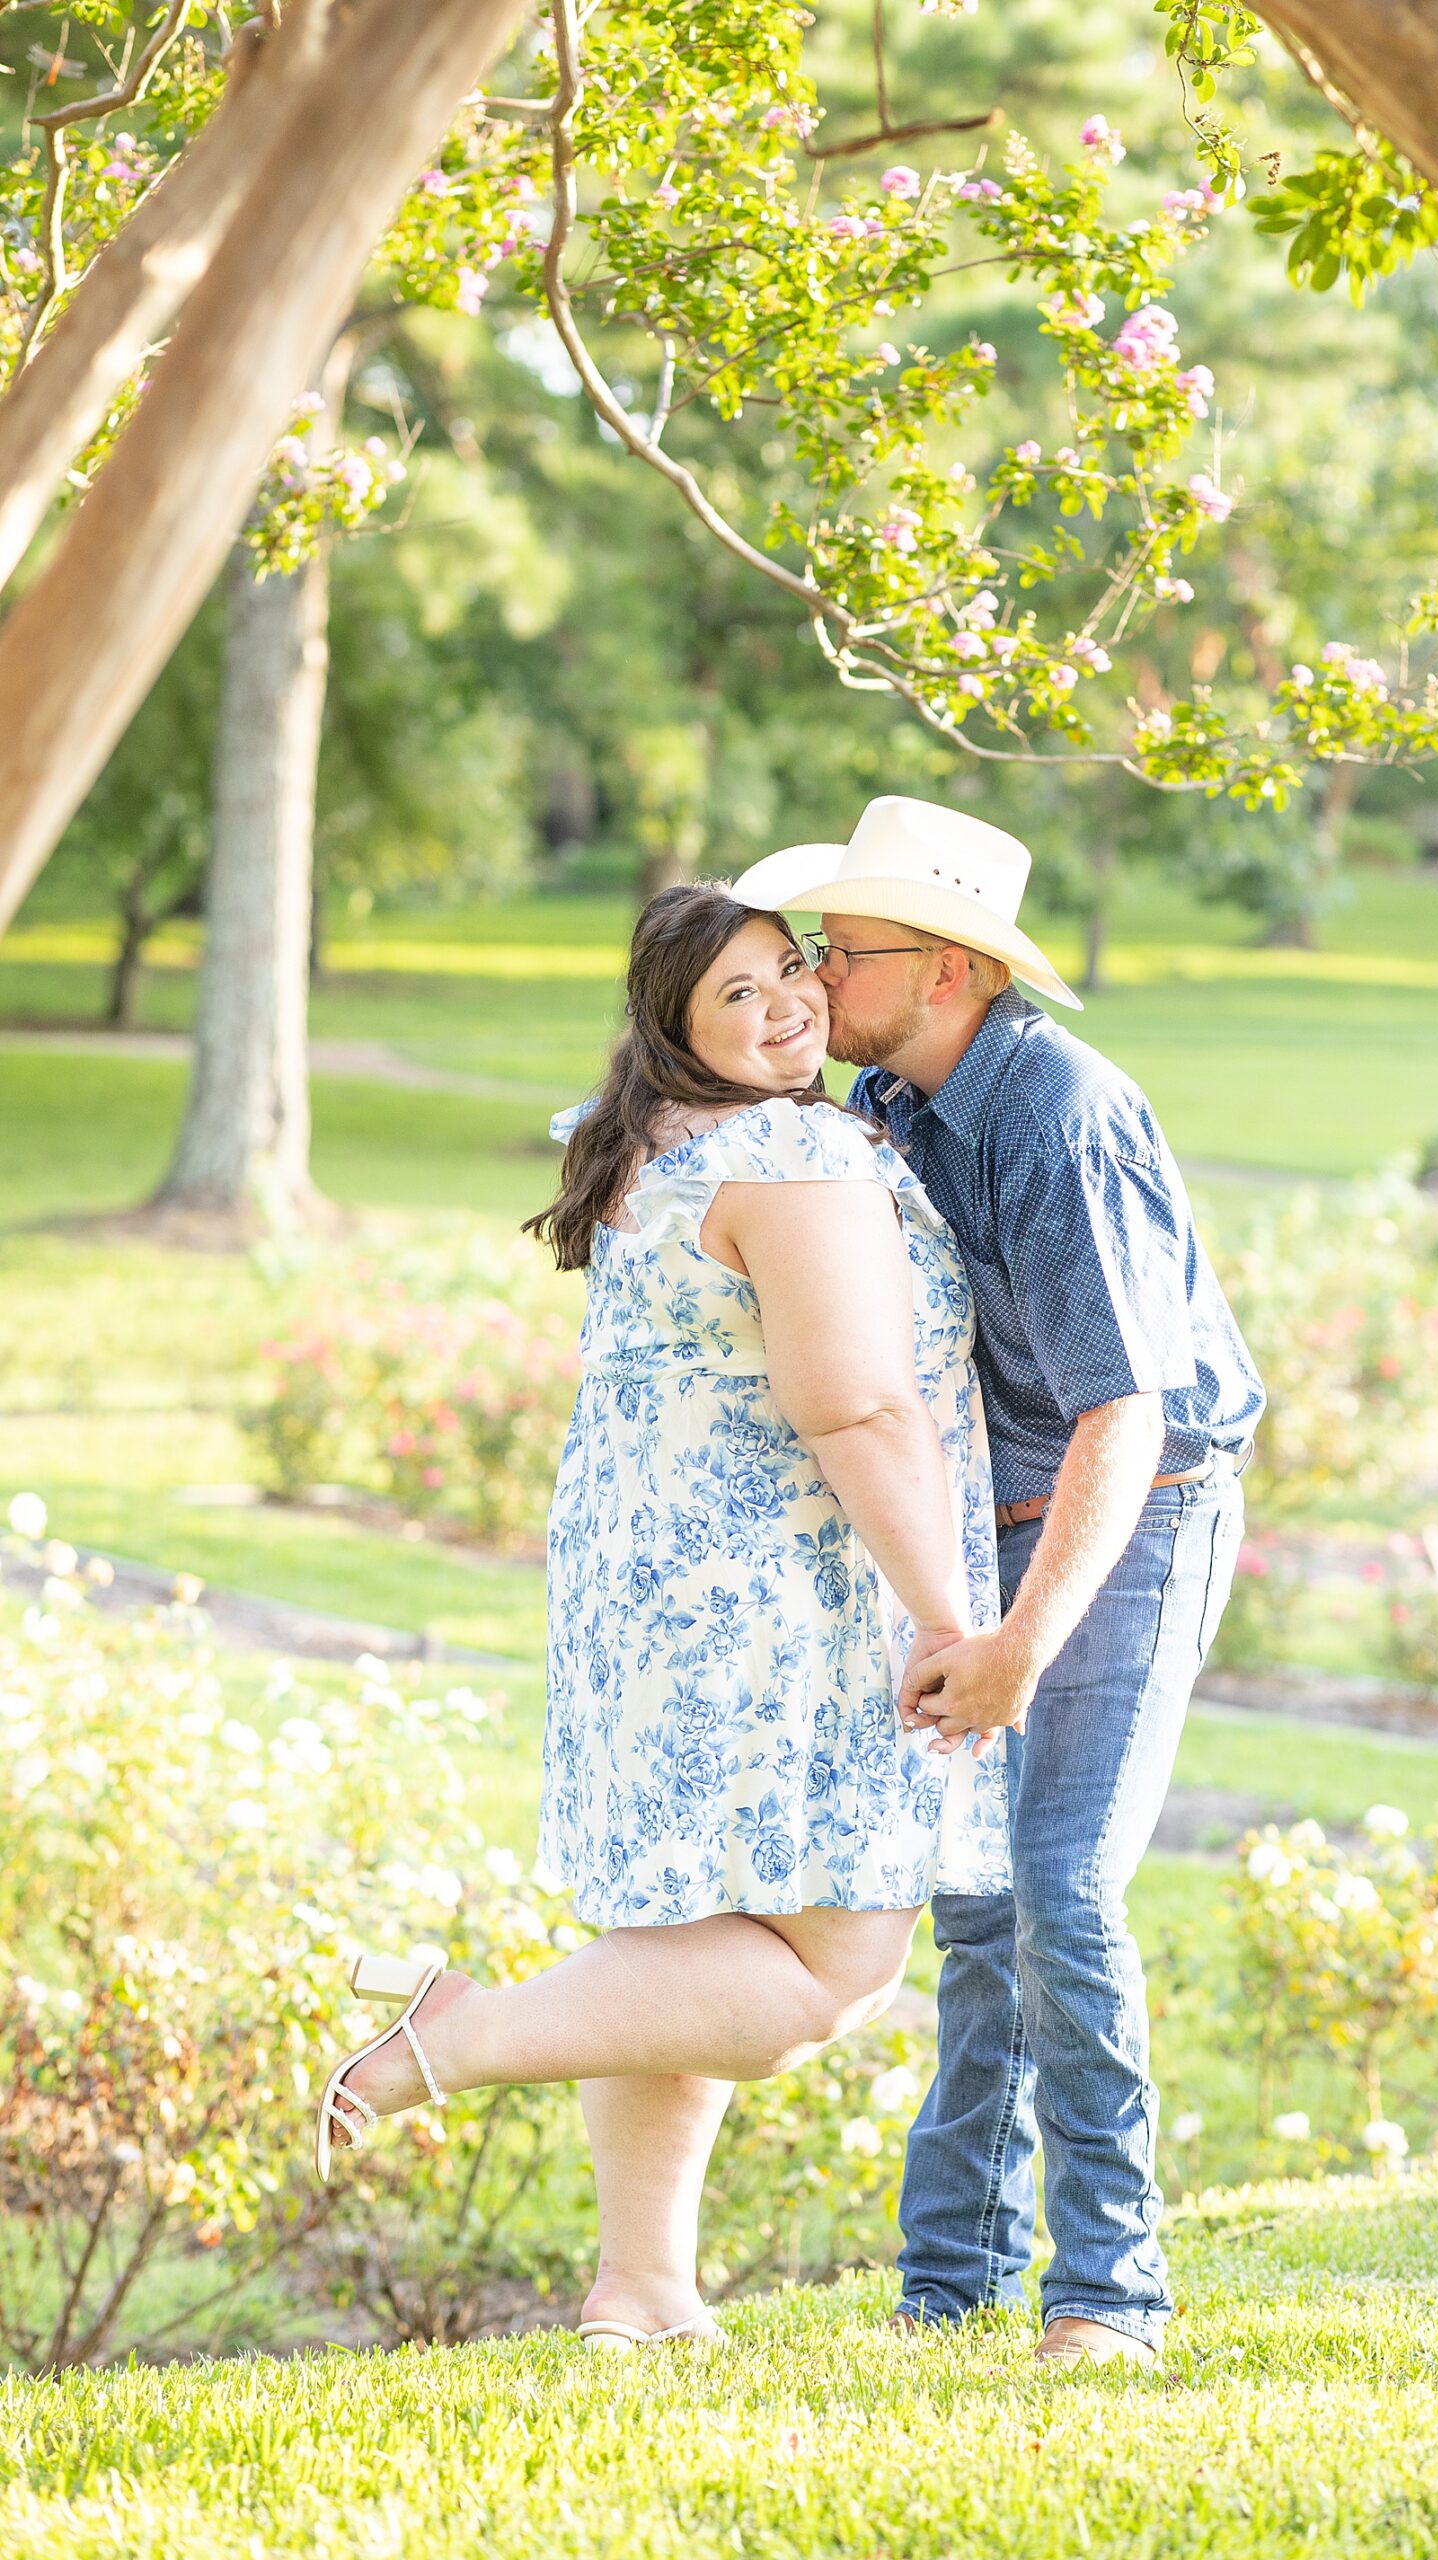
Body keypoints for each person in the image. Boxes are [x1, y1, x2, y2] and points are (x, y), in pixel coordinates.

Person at [313, 883, 1008, 2350]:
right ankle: (458, 2033)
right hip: (784, 1598)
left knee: (683, 1938)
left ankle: (642, 2284)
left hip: (653, 1586)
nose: (783, 1010)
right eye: (735, 999)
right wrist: (953, 1622)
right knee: (830, 1969)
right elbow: (859, 1404)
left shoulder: (651, 1145)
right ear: (679, 1030)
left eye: (787, 976)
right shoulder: (799, 1153)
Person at [730, 795, 1265, 2369]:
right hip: (992, 1514)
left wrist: (1025, 1636)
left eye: (847, 949)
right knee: (977, 1908)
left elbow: (1129, 1408)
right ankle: (947, 2287)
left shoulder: (1056, 1114)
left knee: (1065, 1886)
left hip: (1135, 1508)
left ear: (952, 968)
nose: (820, 976)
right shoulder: (890, 1100)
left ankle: (1109, 2300)